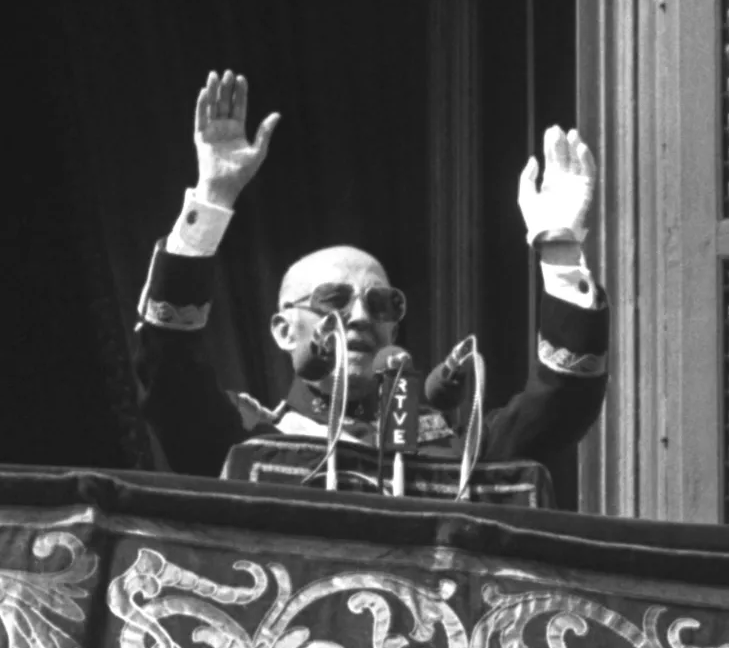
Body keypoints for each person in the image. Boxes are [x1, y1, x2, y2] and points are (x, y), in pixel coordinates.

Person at [134, 69, 609, 502]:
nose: (361, 316)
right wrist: (213, 200)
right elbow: (168, 371)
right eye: (333, 300)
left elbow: (560, 406)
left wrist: (561, 251)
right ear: (283, 329)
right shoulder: (250, 442)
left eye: (381, 304)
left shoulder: (460, 453)